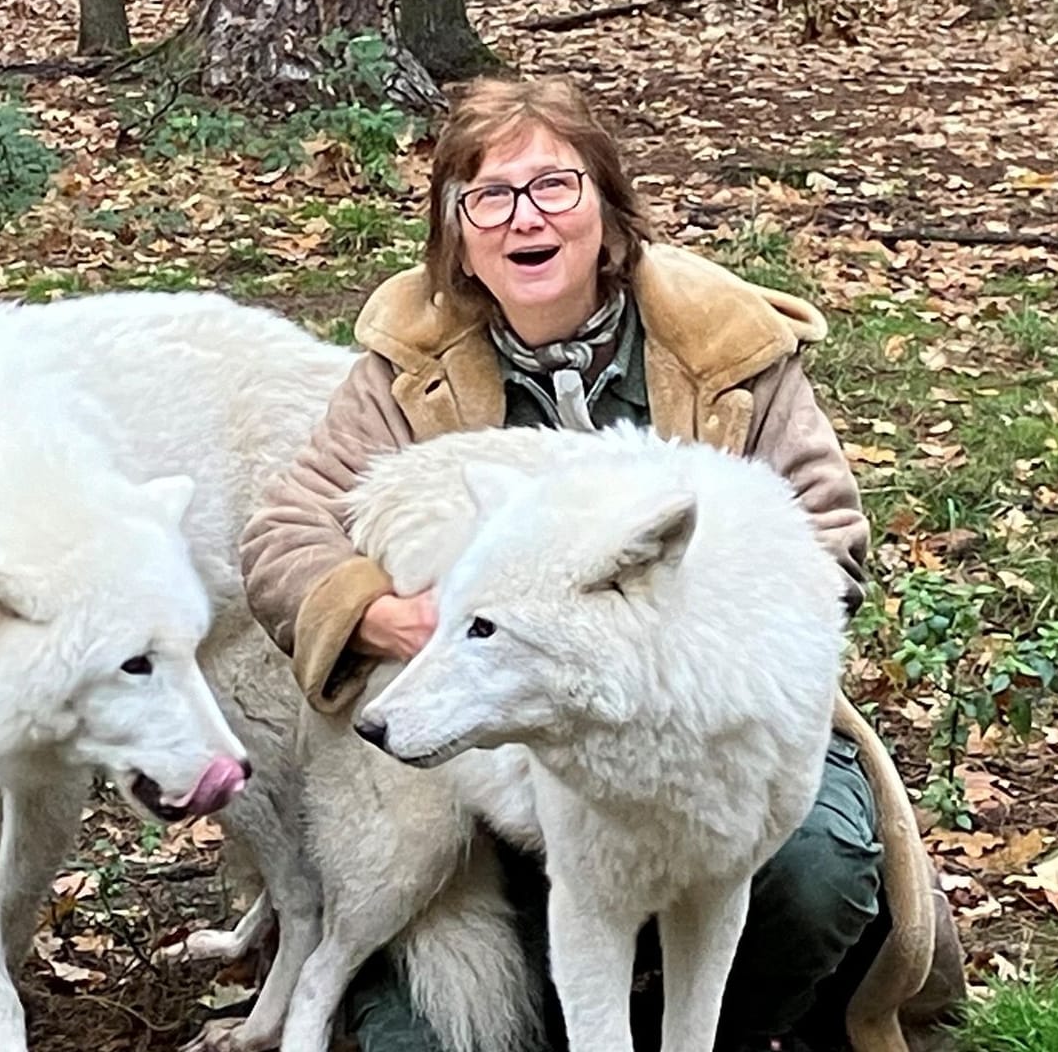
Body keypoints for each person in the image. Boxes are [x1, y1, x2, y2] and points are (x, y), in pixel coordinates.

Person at [237, 76, 962, 1052]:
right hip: (492, 732)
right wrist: (389, 618)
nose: (523, 217)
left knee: (818, 872)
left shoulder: (725, 344)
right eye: (488, 197)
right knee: (427, 1038)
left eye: (554, 186)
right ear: (457, 235)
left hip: (709, 727)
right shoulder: (404, 365)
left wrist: (687, 652)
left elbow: (824, 533)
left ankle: (721, 1024)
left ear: (608, 211)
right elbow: (284, 533)